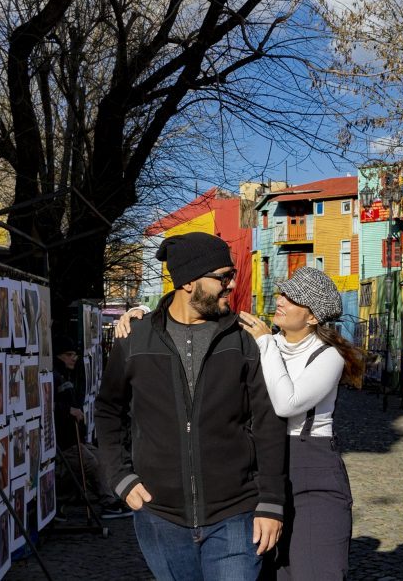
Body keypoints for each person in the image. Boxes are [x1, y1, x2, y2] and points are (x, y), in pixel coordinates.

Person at [117, 266, 364, 580]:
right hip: (263, 467)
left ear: (313, 317)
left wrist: (264, 344)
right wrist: (143, 312)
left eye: (293, 299)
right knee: (270, 571)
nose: (282, 301)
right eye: (284, 293)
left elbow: (286, 403)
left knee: (315, 571)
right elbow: (200, 313)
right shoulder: (264, 340)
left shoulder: (326, 356)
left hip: (310, 470)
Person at [96, 232, 287, 581]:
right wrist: (119, 476)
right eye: (223, 277)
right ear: (187, 282)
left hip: (235, 513)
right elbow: (109, 410)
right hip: (159, 517)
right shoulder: (136, 340)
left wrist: (271, 502)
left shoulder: (245, 340)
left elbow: (268, 422)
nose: (231, 285)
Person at [52, 338, 131, 519]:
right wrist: (68, 410)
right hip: (65, 441)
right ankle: (107, 502)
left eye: (74, 355)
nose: (73, 358)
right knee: (91, 464)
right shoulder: (54, 376)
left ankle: (109, 499)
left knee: (101, 457)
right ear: (59, 357)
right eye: (68, 355)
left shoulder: (68, 375)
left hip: (76, 437)